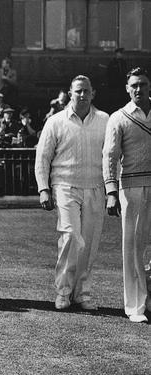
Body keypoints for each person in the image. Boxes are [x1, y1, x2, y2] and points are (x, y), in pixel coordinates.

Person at [35, 75, 109, 312]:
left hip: (96, 187)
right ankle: (63, 292)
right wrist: (43, 189)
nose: (82, 95)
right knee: (71, 236)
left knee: (88, 243)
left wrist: (112, 188)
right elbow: (43, 157)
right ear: (70, 93)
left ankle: (82, 293)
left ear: (93, 93)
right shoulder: (56, 121)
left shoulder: (105, 120)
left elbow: (112, 156)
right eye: (78, 91)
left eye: (86, 91)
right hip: (65, 186)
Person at [103, 67, 151, 323]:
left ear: (149, 86)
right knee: (133, 246)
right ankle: (135, 307)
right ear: (127, 89)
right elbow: (110, 155)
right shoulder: (118, 117)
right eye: (134, 85)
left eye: (143, 84)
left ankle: (148, 296)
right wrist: (111, 191)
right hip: (130, 187)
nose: (138, 89)